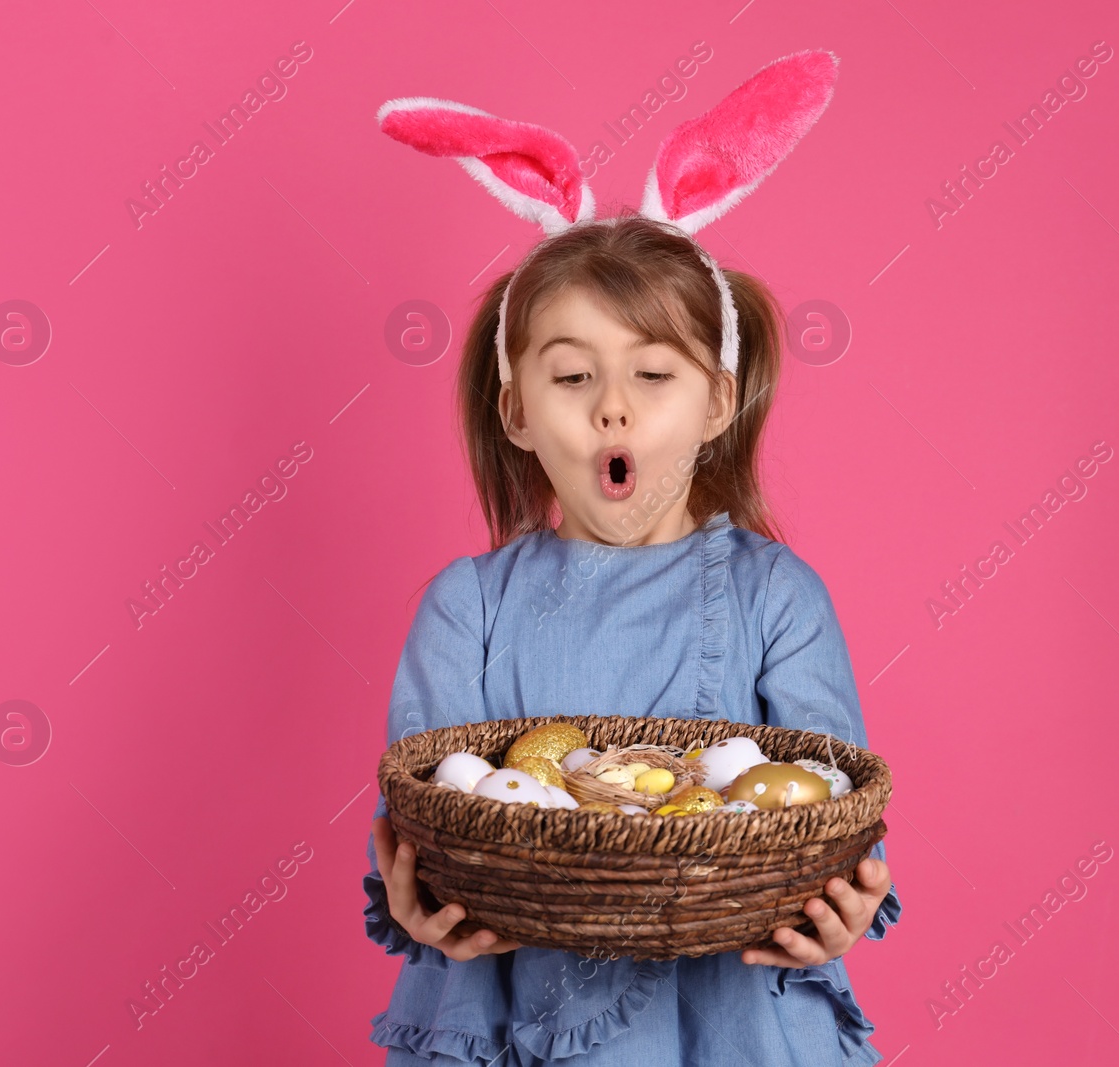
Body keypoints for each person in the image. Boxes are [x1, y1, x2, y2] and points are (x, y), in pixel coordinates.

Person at [364, 51, 900, 1065]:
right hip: (509, 1006)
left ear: (716, 401)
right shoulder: (465, 608)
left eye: (652, 371)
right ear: (515, 409)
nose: (611, 403)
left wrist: (845, 892)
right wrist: (417, 889)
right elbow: (427, 804)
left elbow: (826, 804)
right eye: (571, 374)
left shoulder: (775, 598)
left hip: (731, 1023)